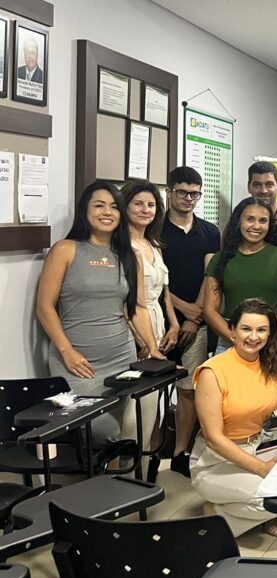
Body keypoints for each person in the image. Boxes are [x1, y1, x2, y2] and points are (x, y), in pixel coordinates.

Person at [36, 181, 167, 444]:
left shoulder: (130, 256)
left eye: (114, 207)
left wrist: (153, 348)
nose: (107, 212)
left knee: (124, 431)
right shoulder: (65, 250)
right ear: (85, 210)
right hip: (76, 361)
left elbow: (138, 308)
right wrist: (67, 351)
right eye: (99, 205)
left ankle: (119, 472)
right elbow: (44, 307)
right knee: (95, 431)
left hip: (121, 357)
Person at [191, 299, 277, 537]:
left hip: (258, 446)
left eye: (261, 330)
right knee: (271, 497)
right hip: (216, 461)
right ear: (232, 331)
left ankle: (259, 512)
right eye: (246, 329)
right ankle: (217, 513)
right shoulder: (212, 371)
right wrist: (261, 469)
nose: (253, 337)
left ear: (270, 334)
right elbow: (214, 438)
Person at [161, 167, 221, 476]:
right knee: (153, 390)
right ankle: (149, 450)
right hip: (157, 319)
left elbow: (210, 275)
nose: (188, 199)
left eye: (194, 193)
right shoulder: (154, 229)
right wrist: (182, 308)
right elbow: (151, 280)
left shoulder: (209, 231)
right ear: (169, 192)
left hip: (197, 324)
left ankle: (180, 452)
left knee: (188, 390)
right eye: (182, 192)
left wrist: (195, 315)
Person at [204, 197, 277, 354]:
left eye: (263, 221)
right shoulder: (220, 259)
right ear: (238, 222)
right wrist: (237, 338)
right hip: (229, 338)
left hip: (271, 340)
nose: (256, 226)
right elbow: (209, 310)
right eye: (250, 219)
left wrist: (267, 338)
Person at [122, 180, 180, 354]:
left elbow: (165, 294)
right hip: (131, 331)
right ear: (124, 207)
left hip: (157, 324)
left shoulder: (154, 245)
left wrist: (174, 325)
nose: (145, 210)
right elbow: (120, 300)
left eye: (151, 205)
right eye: (138, 204)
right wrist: (139, 337)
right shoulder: (121, 247)